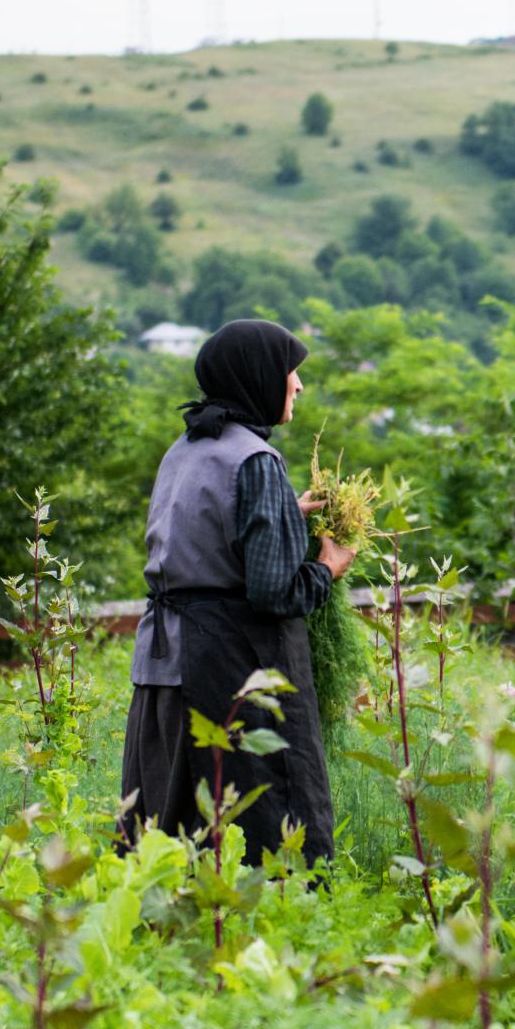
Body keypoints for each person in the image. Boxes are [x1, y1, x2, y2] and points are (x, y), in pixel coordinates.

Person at [117, 319, 356, 868]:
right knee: (257, 813)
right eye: (289, 371)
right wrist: (327, 566)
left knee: (173, 815)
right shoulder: (255, 459)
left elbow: (200, 534)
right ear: (258, 377)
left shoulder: (187, 447)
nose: (296, 385)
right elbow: (274, 592)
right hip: (229, 668)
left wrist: (281, 513)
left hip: (164, 662)